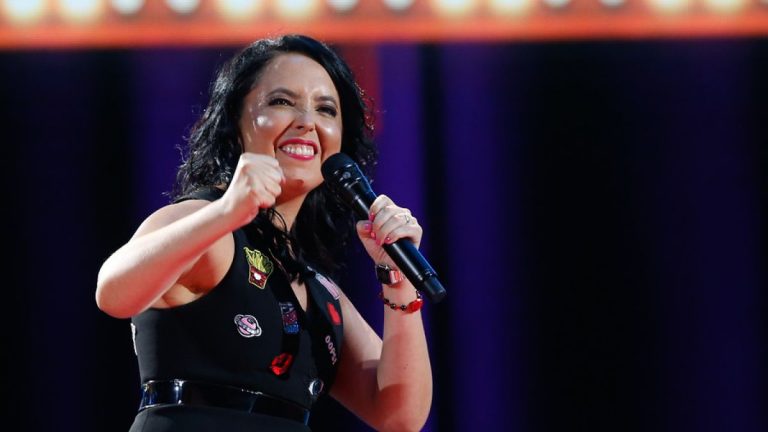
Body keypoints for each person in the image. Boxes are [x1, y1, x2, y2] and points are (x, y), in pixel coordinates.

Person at [95, 34, 433, 432]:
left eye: (326, 109)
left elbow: (399, 415)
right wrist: (227, 211)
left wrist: (397, 278)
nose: (307, 121)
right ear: (235, 122)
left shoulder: (315, 287)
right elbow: (113, 292)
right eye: (282, 101)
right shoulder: (205, 223)